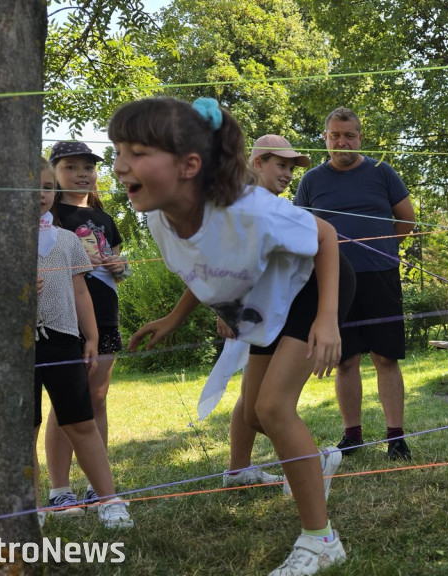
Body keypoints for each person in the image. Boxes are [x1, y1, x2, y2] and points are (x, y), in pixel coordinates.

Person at [110, 97, 354, 575]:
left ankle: (321, 540)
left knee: (272, 407)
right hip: (269, 295)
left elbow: (325, 236)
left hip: (314, 287)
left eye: (136, 152)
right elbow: (204, 267)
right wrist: (176, 316)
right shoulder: (159, 217)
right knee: (254, 412)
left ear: (190, 165)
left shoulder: (250, 209)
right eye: (119, 152)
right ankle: (317, 461)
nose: (120, 167)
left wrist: (327, 321)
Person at [294, 107, 416, 460]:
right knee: (344, 360)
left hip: (381, 275)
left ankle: (396, 437)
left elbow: (407, 220)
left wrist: (384, 246)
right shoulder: (311, 181)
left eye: (348, 135)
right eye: (335, 135)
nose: (342, 142)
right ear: (325, 138)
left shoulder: (381, 172)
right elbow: (302, 231)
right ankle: (353, 436)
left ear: (360, 137)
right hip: (333, 283)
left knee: (385, 357)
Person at [35, 158, 132, 528]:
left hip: (75, 333)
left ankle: (104, 495)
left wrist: (89, 335)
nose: (39, 194)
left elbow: (88, 287)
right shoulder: (7, 240)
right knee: (33, 420)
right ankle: (46, 499)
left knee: (87, 409)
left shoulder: (76, 233)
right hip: (28, 340)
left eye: (44, 187)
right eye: (71, 166)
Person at [220, 134, 312, 489]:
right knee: (254, 405)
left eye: (291, 167)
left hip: (287, 310)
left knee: (266, 406)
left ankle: (307, 465)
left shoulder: (279, 210)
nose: (289, 174)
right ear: (257, 163)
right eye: (281, 165)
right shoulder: (243, 204)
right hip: (261, 311)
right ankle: (242, 469)